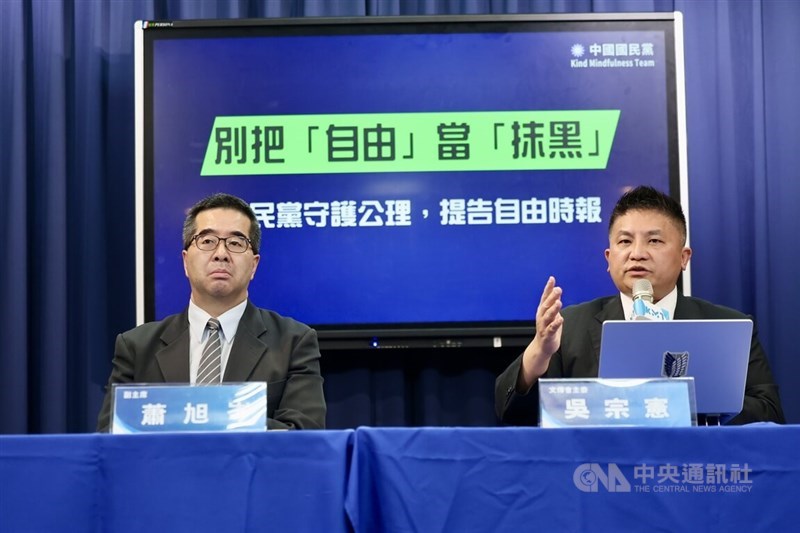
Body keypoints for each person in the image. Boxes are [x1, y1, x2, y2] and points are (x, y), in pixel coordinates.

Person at [495, 186, 784, 426]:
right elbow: (510, 415)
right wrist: (538, 354)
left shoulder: (726, 326)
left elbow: (769, 414)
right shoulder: (570, 326)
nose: (637, 254)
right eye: (625, 241)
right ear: (609, 258)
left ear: (684, 257)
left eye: (654, 240)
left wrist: (688, 405)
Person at [97, 193, 326, 431]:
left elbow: (304, 435)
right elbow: (110, 437)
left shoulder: (294, 342)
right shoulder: (137, 347)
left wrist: (204, 418)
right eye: (207, 241)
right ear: (185, 261)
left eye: (236, 243)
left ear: (254, 265)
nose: (221, 254)